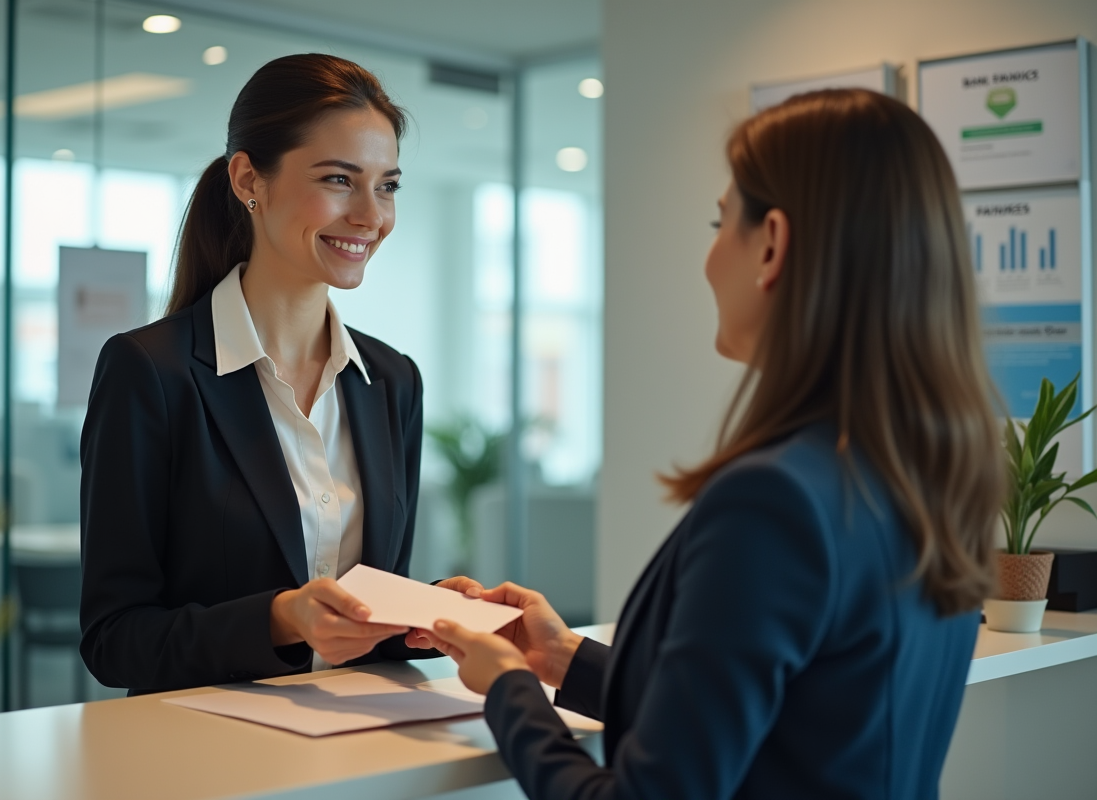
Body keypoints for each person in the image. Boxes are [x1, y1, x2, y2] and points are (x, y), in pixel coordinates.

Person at [424, 89, 1005, 799]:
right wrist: (562, 657)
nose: (706, 259)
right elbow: (787, 723)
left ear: (771, 244)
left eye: (719, 220)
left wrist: (510, 690)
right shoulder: (926, 470)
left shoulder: (775, 499)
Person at [79, 54, 478, 694]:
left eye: (388, 185)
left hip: (356, 756)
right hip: (209, 767)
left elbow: (365, 609)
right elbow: (115, 640)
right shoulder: (150, 372)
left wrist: (433, 613)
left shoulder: (392, 381)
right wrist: (279, 620)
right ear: (248, 180)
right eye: (339, 180)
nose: (372, 216)